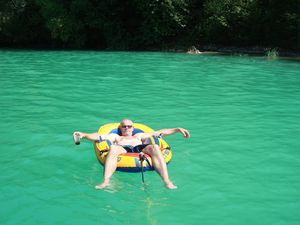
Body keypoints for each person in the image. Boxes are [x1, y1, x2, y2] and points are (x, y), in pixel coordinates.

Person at [73, 119, 190, 189]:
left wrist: (177, 129)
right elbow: (99, 136)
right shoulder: (116, 136)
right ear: (120, 128)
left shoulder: (139, 135)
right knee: (113, 148)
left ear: (133, 128)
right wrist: (83, 134)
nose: (127, 128)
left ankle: (166, 181)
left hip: (140, 148)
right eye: (124, 126)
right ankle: (106, 181)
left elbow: (160, 132)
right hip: (123, 149)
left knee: (155, 147)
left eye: (129, 126)